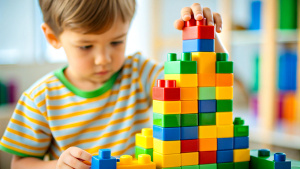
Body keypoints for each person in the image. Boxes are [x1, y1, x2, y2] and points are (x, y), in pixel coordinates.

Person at [0, 1, 226, 169]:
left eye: (116, 42)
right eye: (86, 46)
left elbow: (198, 86)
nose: (103, 59)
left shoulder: (138, 73)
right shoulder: (40, 98)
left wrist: (206, 37)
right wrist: (58, 165)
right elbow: (19, 163)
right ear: (52, 37)